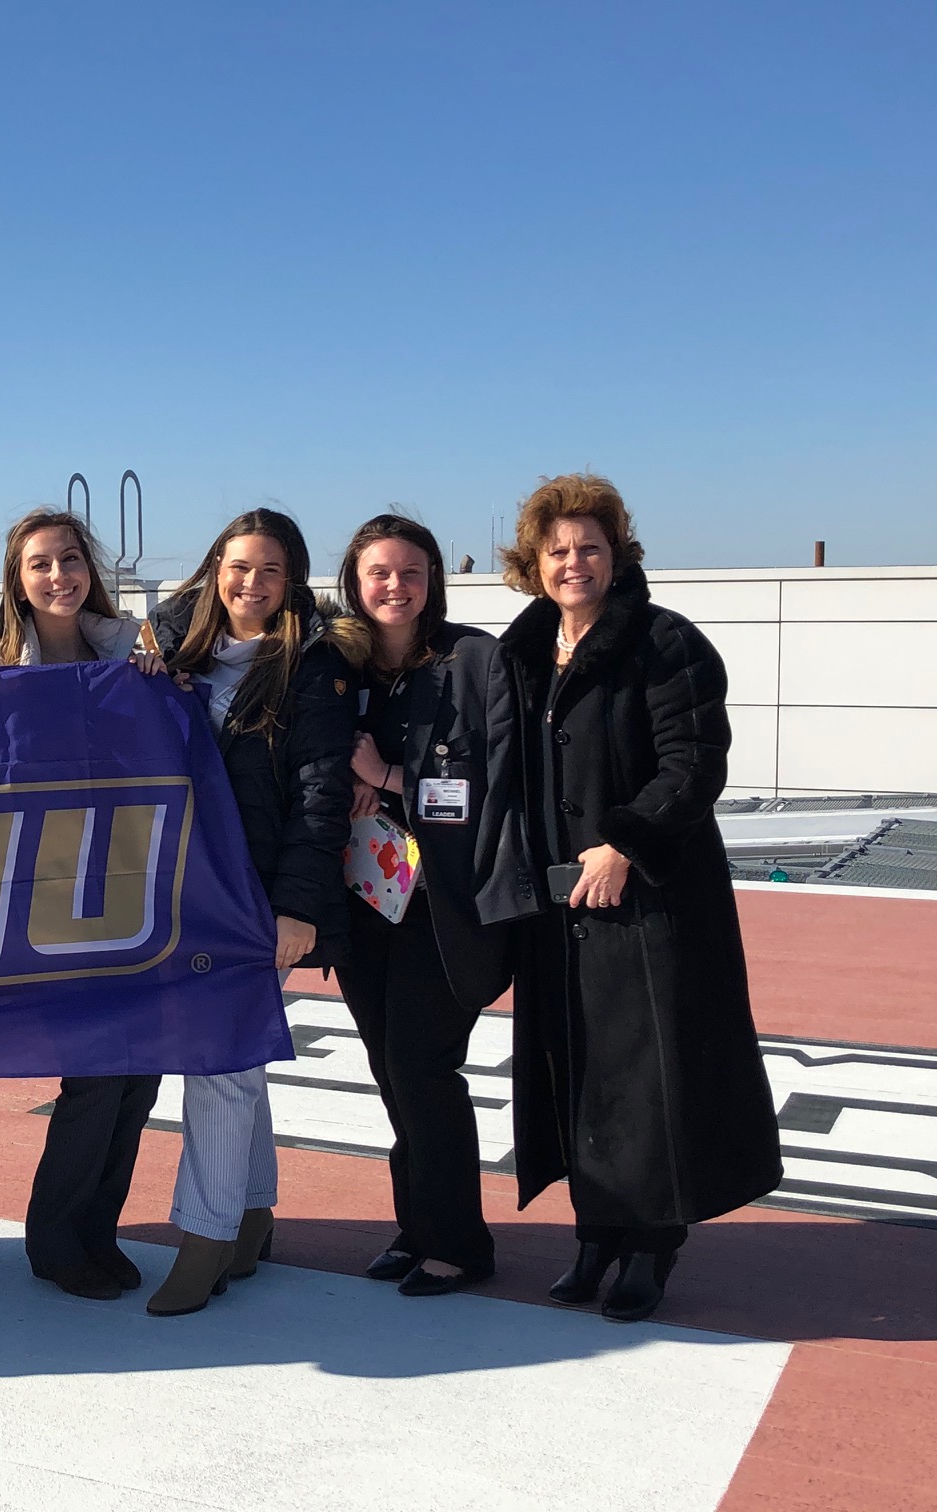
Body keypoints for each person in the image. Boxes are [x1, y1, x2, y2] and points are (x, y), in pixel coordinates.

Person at [498, 474, 782, 1323]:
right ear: (534, 563)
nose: (573, 562)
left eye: (590, 547)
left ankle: (651, 1245)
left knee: (649, 1073)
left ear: (617, 556)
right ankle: (596, 1231)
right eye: (558, 551)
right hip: (558, 905)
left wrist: (626, 841)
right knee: (577, 1068)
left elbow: (694, 763)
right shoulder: (523, 651)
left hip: (652, 900)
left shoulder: (666, 644)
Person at [147, 509, 361, 1316]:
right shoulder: (169, 652)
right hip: (178, 889)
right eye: (238, 566)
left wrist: (298, 907)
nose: (250, 583)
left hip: (253, 893)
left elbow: (320, 793)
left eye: (270, 571)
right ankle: (252, 1215)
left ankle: (204, 1238)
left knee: (218, 1062)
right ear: (213, 569)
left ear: (292, 581)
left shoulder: (310, 666)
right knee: (237, 1058)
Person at [334, 514, 534, 1298]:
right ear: (353, 580)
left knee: (425, 1067)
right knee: (393, 1072)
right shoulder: (340, 666)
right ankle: (416, 1226)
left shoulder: (475, 661)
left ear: (433, 580)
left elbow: (495, 784)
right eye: (378, 572)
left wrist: (388, 779)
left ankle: (459, 1243)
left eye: (410, 571)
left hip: (443, 910)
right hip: (364, 905)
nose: (394, 586)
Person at [0, 509, 168, 1301]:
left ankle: (96, 1227)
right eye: (39, 565)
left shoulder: (134, 651)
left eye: (69, 560)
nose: (58, 577)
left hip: (134, 883)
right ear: (16, 582)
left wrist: (167, 689)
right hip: (46, 895)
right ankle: (54, 1238)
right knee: (95, 1070)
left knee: (142, 1075)